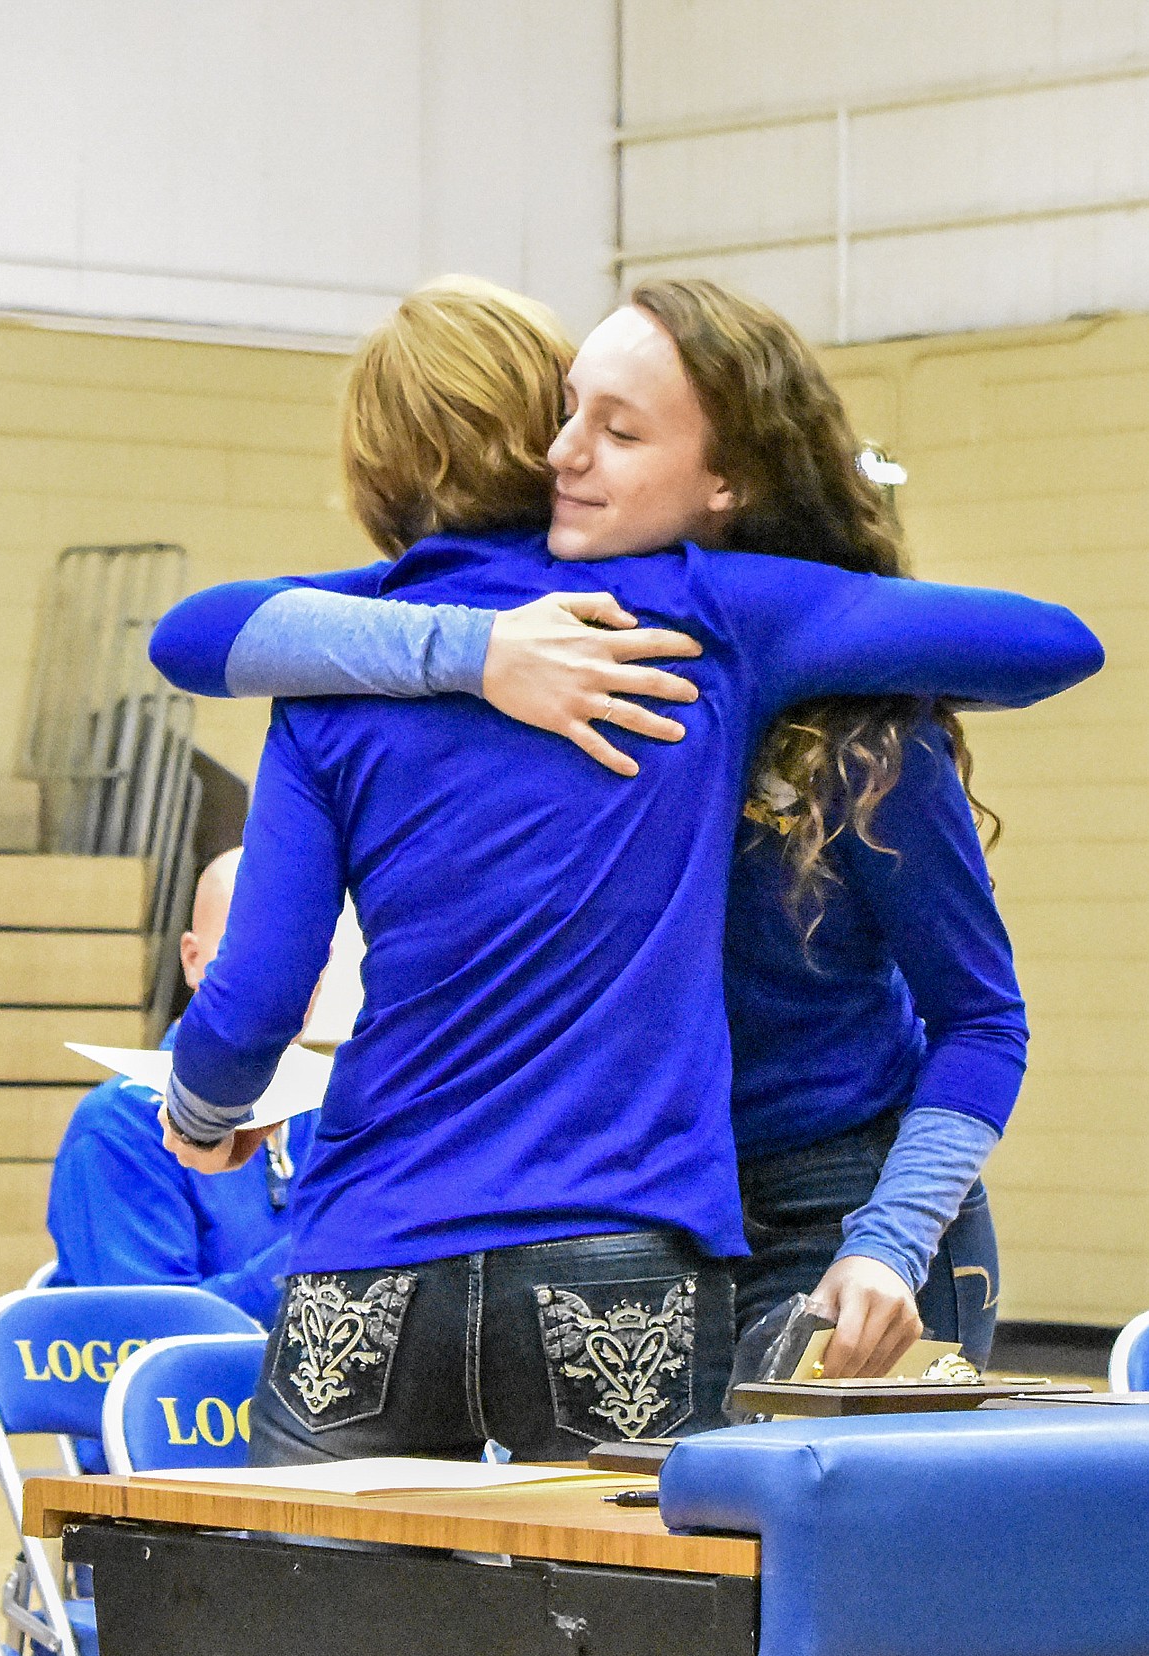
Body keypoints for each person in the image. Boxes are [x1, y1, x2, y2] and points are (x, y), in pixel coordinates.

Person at [154, 280, 1100, 1464]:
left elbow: (984, 1006)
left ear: (724, 483)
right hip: (651, 1216)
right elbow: (204, 630)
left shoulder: (804, 685)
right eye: (564, 412)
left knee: (769, 1614)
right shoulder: (570, 632)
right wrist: (473, 644)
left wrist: (889, 1238)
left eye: (617, 428)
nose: (558, 453)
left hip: (839, 1209)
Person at [49, 848, 317, 1330]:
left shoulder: (336, 1110)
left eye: (304, 951)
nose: (280, 977)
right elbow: (153, 1339)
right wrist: (332, 1245)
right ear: (192, 960)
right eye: (250, 949)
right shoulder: (118, 1126)